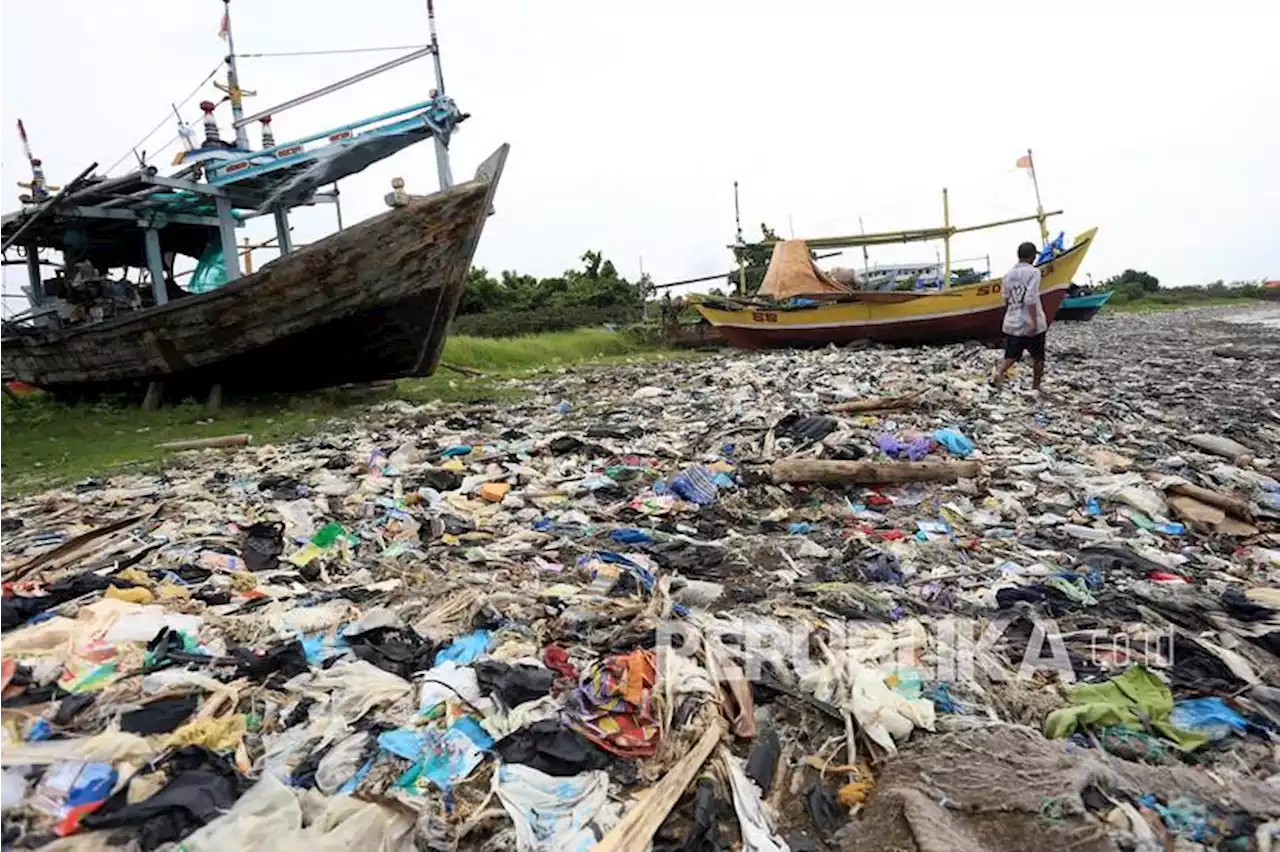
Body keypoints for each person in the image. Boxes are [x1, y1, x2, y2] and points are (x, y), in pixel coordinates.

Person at [991, 241, 1047, 391]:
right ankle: (1036, 387)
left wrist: (1013, 312)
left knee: (1012, 355)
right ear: (1033, 256)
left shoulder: (1007, 275)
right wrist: (1034, 323)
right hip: (1030, 321)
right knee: (1038, 357)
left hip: (1013, 321)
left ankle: (999, 372)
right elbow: (1031, 298)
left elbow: (1005, 299)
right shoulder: (1034, 272)